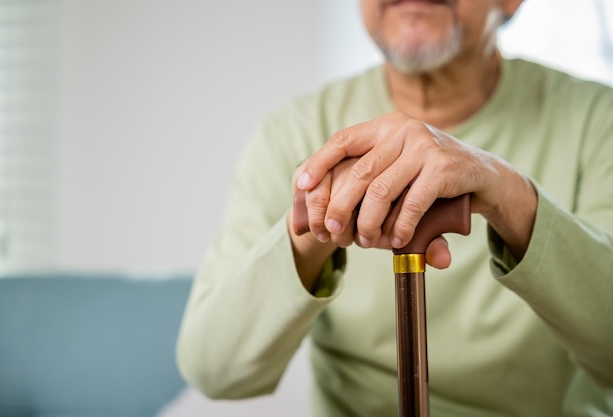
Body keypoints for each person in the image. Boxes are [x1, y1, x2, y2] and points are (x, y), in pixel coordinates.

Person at [176, 0, 613, 416]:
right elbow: (215, 371)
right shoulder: (291, 133)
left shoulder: (597, 120)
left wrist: (507, 192)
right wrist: (319, 225)